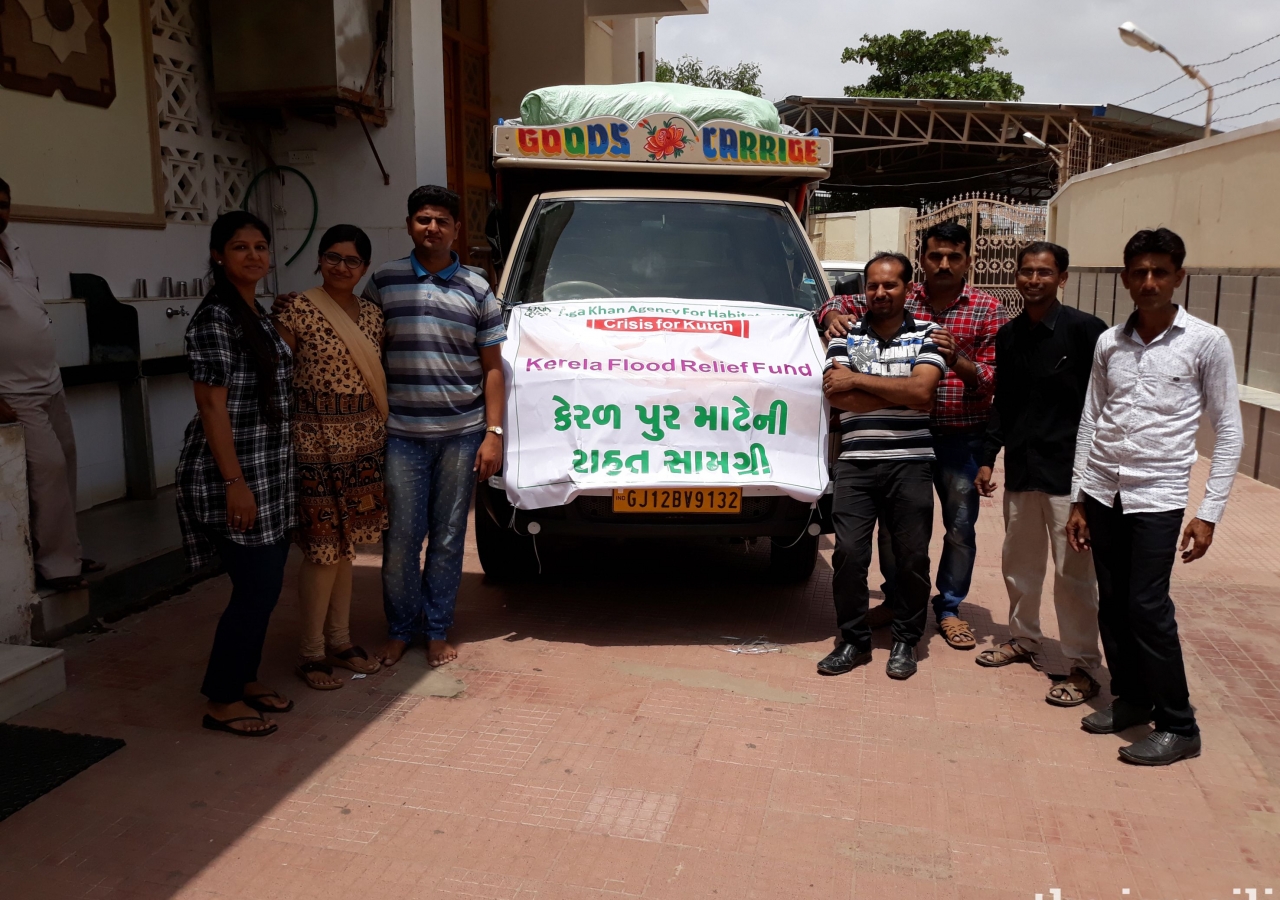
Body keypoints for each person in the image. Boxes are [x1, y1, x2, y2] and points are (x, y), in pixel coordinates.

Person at [1066, 228, 1243, 766]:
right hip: (1103, 492)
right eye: (1139, 272)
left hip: (1159, 495)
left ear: (1178, 276)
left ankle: (1178, 723)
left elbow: (1229, 430)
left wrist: (1208, 513)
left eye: (1159, 272)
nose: (1148, 282)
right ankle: (1131, 700)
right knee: (1113, 604)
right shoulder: (1109, 343)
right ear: (1125, 278)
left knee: (1148, 607)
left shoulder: (1206, 342)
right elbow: (1091, 418)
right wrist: (1079, 497)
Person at [819, 222, 1004, 651]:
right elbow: (836, 301)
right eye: (935, 256)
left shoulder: (985, 308)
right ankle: (898, 601)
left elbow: (990, 379)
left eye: (953, 257)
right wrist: (830, 315)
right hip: (888, 442)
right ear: (921, 261)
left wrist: (957, 359)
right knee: (893, 535)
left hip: (958, 434)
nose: (943, 264)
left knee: (958, 528)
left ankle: (950, 608)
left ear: (968, 261)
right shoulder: (897, 293)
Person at [363, 185, 505, 669]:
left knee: (447, 538)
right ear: (409, 225)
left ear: (456, 230)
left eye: (442, 221)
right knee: (401, 538)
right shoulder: (383, 283)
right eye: (423, 219)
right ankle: (401, 629)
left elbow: (492, 369)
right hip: (401, 434)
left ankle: (438, 629)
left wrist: (494, 433)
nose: (433, 228)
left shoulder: (478, 287)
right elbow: (365, 356)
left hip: (462, 435)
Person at [176, 211, 295, 737]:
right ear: (217, 256)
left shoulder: (257, 314)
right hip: (231, 475)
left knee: (264, 589)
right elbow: (211, 406)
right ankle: (221, 698)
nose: (253, 256)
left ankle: (244, 679)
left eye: (260, 247)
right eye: (240, 247)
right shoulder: (215, 319)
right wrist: (234, 484)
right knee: (254, 588)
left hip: (268, 471)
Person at [974, 242, 1107, 706]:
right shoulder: (1009, 336)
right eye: (1027, 271)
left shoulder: (1087, 332)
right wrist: (989, 455)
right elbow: (1004, 403)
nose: (1034, 279)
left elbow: (1104, 409)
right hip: (1024, 473)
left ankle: (1083, 665)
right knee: (1019, 565)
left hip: (1073, 482)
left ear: (1062, 278)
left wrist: (1093, 486)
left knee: (1074, 575)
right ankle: (1024, 638)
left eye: (1044, 272)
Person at [817, 252, 947, 681]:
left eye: (890, 285)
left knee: (911, 557)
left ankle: (906, 640)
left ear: (908, 289)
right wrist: (901, 390)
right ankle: (852, 640)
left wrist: (859, 380)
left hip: (911, 464)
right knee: (850, 555)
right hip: (855, 463)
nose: (880, 292)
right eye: (872, 285)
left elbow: (925, 393)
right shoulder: (844, 336)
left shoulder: (929, 333)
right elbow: (837, 395)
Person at [272, 225, 387, 690]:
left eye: (352, 260)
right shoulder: (296, 309)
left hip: (363, 446)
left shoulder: (375, 317)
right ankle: (310, 651)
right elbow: (277, 378)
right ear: (319, 260)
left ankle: (339, 640)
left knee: (348, 549)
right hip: (315, 447)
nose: (342, 267)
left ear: (365, 268)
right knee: (322, 550)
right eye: (332, 257)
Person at [0, 177, 103, 591]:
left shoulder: (15, 245)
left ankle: (68, 554)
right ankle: (56, 567)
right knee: (48, 471)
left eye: (3, 203)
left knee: (67, 462)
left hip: (49, 383)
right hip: (12, 391)